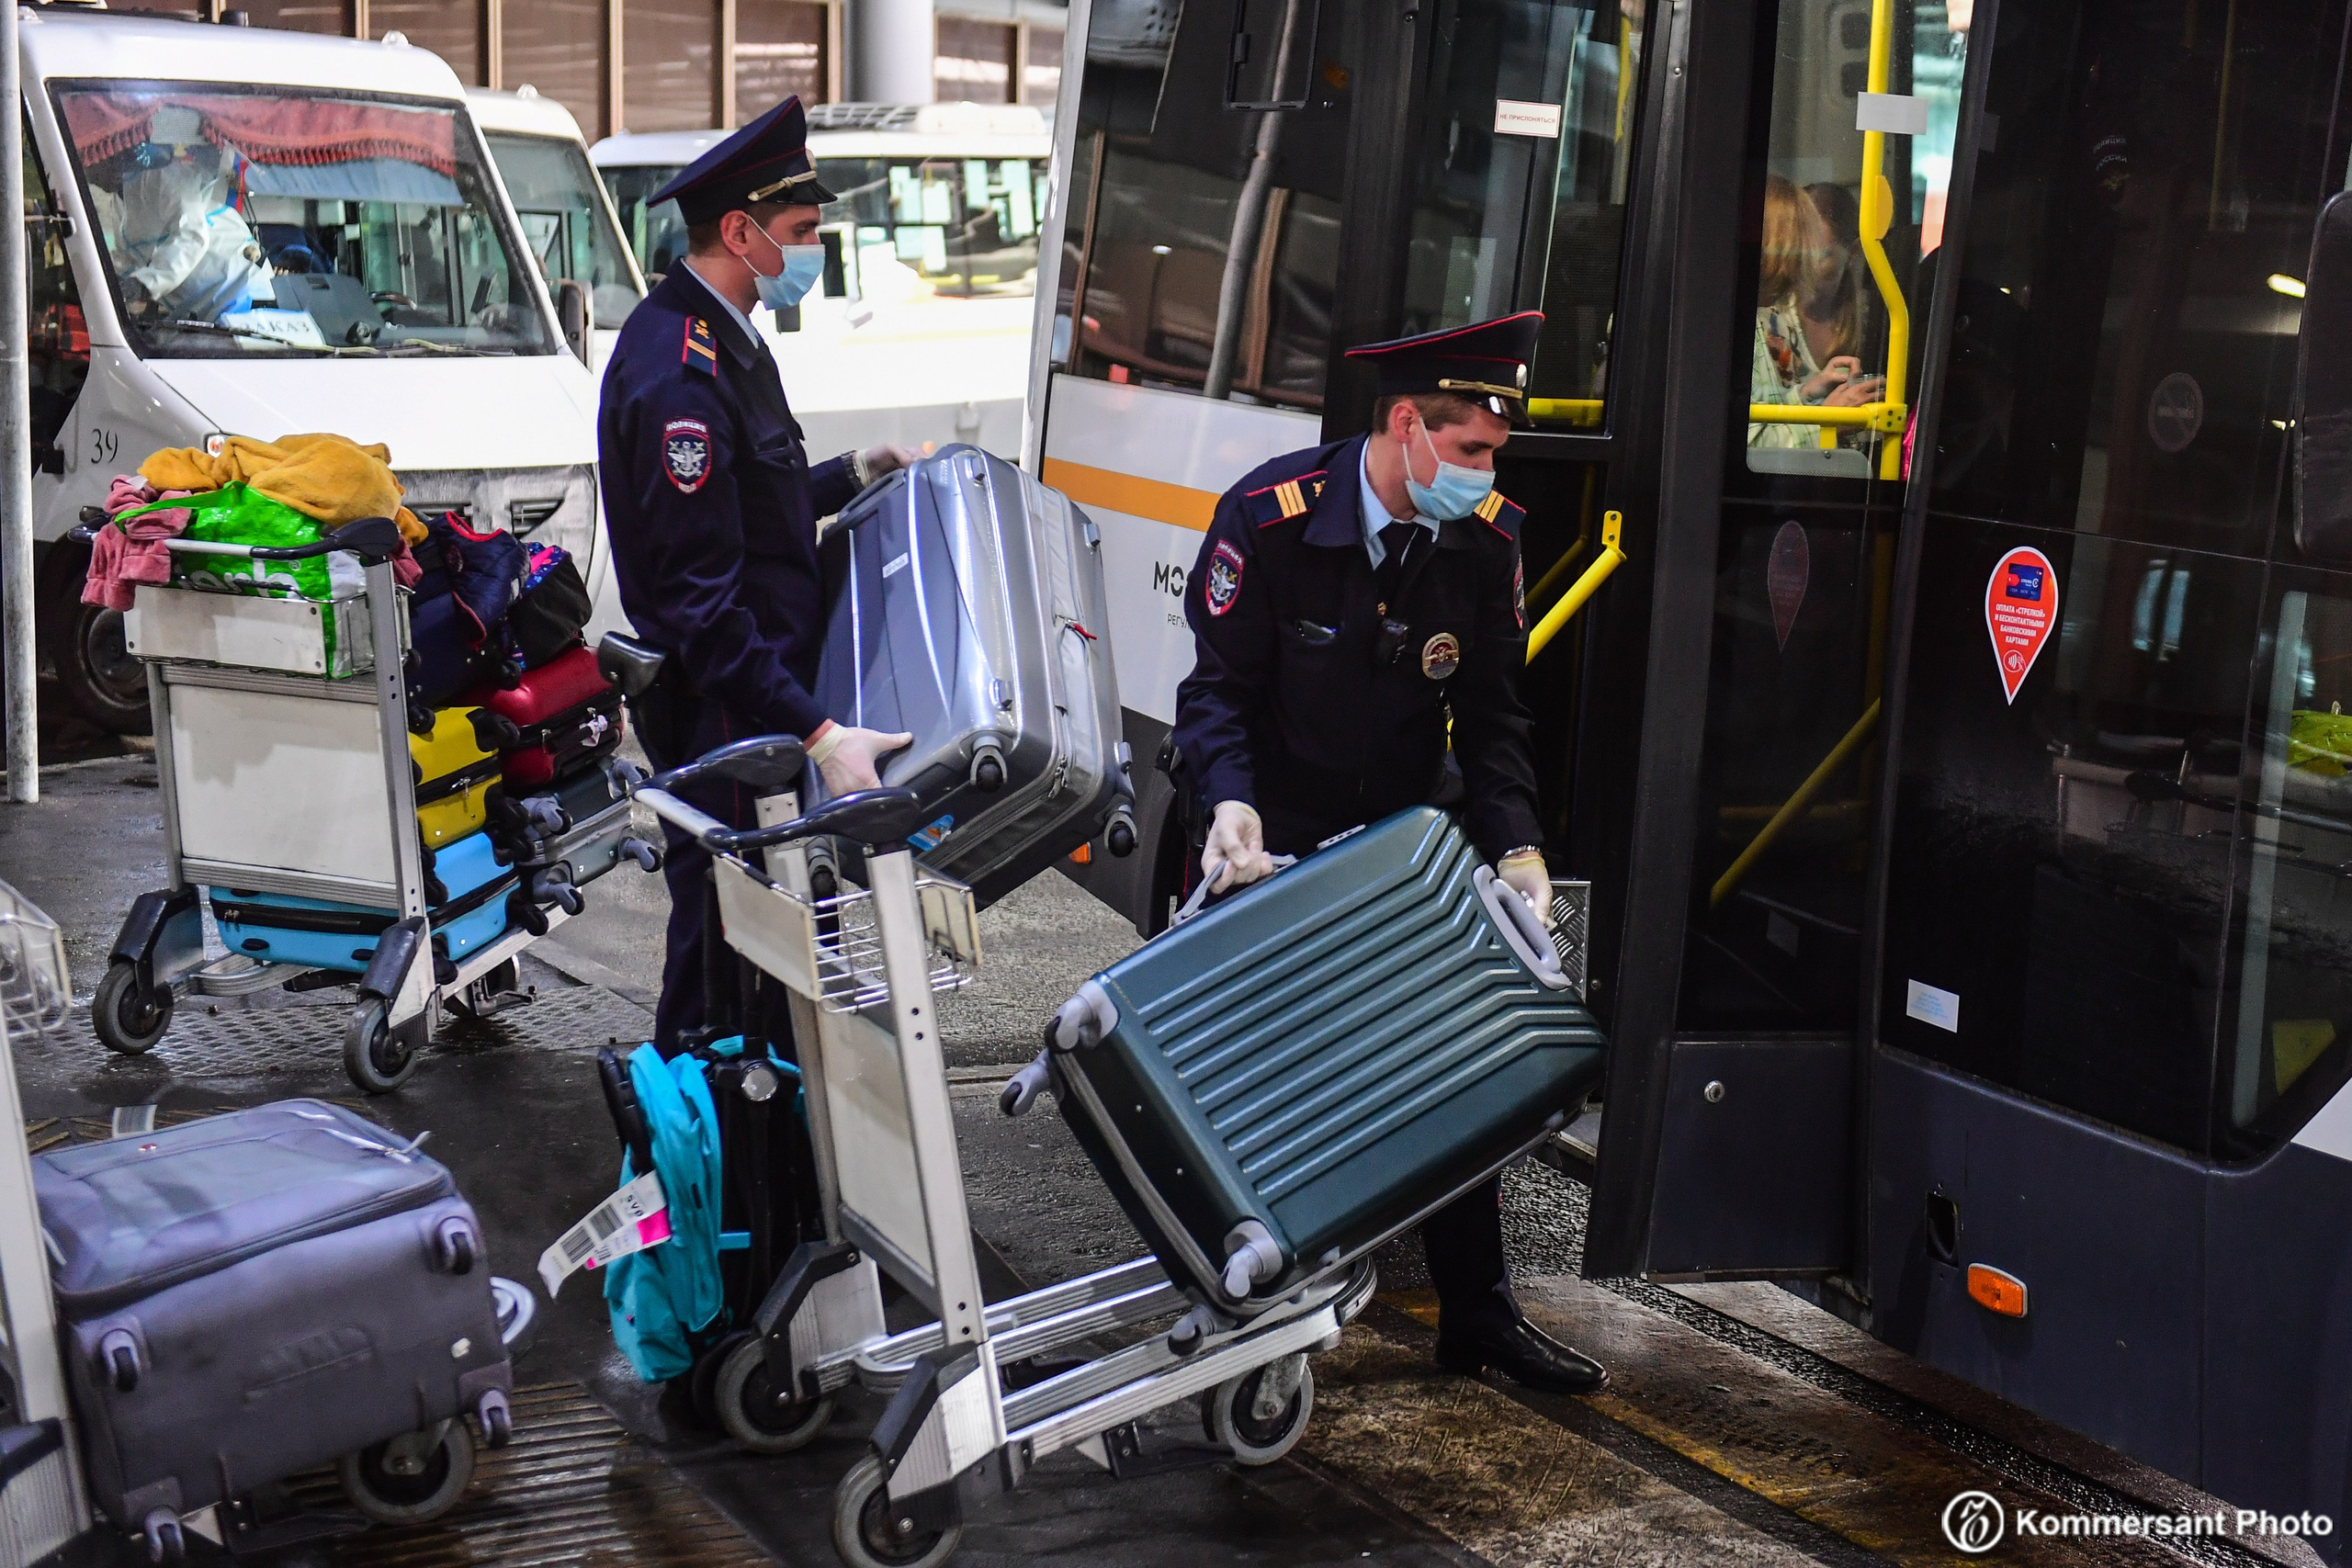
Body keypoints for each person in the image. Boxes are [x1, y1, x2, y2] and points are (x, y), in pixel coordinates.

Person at [1170, 310, 1608, 1397]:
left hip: (1400, 844)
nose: (1484, 473)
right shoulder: (1270, 518)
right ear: (1406, 426)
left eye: (1493, 454)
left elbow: (1494, 716)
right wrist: (1228, 807)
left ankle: (1478, 1316)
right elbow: (1215, 695)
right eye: (1470, 449)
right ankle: (1233, 1310)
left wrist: (1518, 849)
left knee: (1455, 1063)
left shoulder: (1485, 539)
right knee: (1259, 1089)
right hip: (1268, 840)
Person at [597, 96, 915, 1047]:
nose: (815, 251)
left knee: (770, 950)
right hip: (730, 714)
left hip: (757, 700)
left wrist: (853, 474)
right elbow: (702, 603)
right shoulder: (681, 376)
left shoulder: (724, 337)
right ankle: (686, 1129)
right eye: (802, 231)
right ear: (741, 233)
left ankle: (761, 1130)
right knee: (728, 953)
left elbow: (750, 506)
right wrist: (819, 734)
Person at [1749, 174, 1881, 450]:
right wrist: (1828, 423)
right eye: (1798, 251)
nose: (1802, 268)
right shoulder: (1760, 325)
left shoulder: (1760, 317)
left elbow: (1768, 408)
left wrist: (1807, 394)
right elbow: (1752, 443)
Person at [108, 106, 273, 324]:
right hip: (199, 305)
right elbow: (130, 257)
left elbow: (192, 237)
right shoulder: (119, 201)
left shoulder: (163, 177)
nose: (91, 175)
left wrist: (144, 285)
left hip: (240, 289)